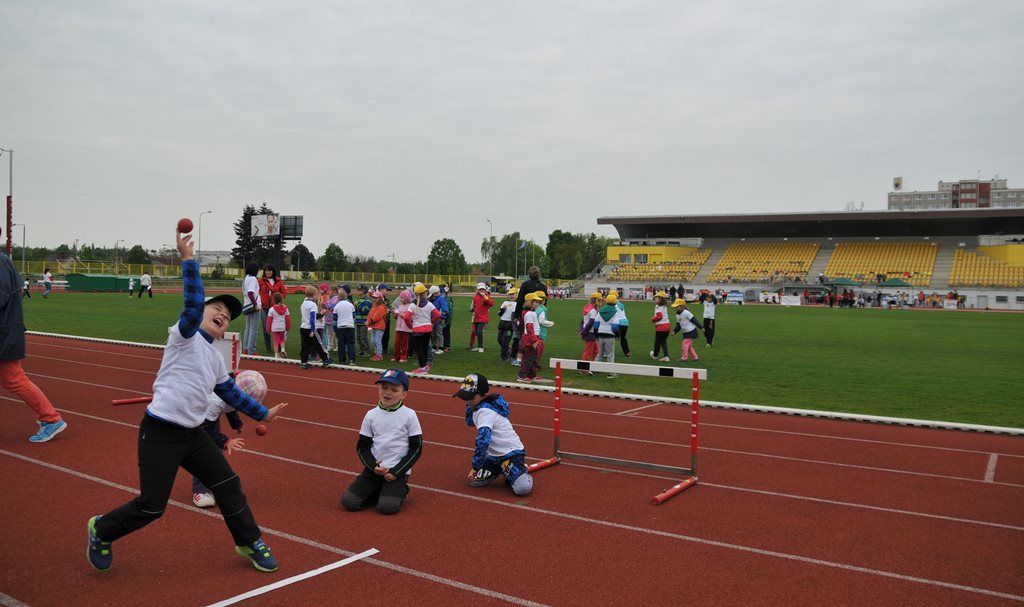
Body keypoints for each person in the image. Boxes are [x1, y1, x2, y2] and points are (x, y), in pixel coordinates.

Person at [86, 230, 287, 573]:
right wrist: (188, 260)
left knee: (229, 486)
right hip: (160, 432)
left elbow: (230, 393)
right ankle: (101, 529)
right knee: (152, 506)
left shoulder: (216, 359)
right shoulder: (183, 336)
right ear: (201, 313)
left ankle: (249, 541)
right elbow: (192, 306)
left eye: (227, 316)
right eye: (216, 308)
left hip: (193, 435)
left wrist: (262, 413)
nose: (222, 315)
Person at [0, 229, 67, 442]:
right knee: (14, 379)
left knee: (14, 379)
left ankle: (51, 418)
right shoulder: (3, 261)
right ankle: (50, 418)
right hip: (8, 330)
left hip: (5, 334)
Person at [341, 369, 422, 515]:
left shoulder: (410, 415)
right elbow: (362, 446)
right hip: (374, 469)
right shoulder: (371, 415)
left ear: (404, 394)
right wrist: (373, 466)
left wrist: (397, 472)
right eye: (384, 388)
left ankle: (401, 489)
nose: (387, 393)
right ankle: (379, 489)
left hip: (396, 471)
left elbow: (416, 448)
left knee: (387, 507)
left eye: (394, 390)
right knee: (349, 502)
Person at [454, 373, 532, 496]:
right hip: (494, 457)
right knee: (474, 481)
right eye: (465, 397)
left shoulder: (485, 412)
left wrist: (476, 466)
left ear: (481, 395)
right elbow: (470, 422)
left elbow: (483, 441)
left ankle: (521, 470)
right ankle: (503, 469)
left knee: (522, 488)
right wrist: (470, 404)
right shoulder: (476, 407)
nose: (468, 401)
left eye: (470, 398)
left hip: (511, 453)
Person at [191, 382, 251, 508]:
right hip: (195, 413)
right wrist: (225, 441)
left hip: (208, 414)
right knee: (202, 453)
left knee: (216, 453)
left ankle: (217, 485)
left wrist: (236, 424)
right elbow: (205, 429)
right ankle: (200, 491)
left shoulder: (230, 392)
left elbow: (230, 406)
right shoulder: (214, 402)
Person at [405, 283, 440, 375]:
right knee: (425, 348)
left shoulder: (412, 305)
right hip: (428, 329)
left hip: (417, 329)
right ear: (425, 293)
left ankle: (422, 368)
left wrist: (410, 326)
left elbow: (406, 317)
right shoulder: (429, 304)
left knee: (419, 349)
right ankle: (425, 365)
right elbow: (437, 315)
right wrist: (431, 321)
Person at [299, 286, 332, 369]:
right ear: (314, 295)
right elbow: (312, 318)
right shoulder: (313, 305)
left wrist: (321, 314)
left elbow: (311, 316)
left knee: (305, 346)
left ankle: (303, 362)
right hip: (311, 328)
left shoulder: (303, 303)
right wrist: (313, 330)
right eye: (317, 294)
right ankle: (325, 359)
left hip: (303, 327)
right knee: (319, 344)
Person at [595, 291, 624, 377]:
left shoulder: (600, 311)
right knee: (610, 355)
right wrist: (618, 335)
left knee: (599, 354)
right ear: (615, 302)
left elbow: (596, 324)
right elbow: (615, 327)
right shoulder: (615, 312)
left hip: (600, 333)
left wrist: (596, 335)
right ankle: (611, 373)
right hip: (610, 335)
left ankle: (593, 370)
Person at [517, 293, 544, 383]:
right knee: (528, 358)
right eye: (535, 302)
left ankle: (532, 375)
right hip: (531, 338)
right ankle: (522, 376)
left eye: (538, 302)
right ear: (529, 303)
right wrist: (534, 341)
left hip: (533, 337)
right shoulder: (529, 314)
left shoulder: (531, 313)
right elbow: (529, 327)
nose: (537, 304)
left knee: (533, 358)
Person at [258, 266, 285, 354]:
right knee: (266, 328)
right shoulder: (260, 281)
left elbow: (283, 292)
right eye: (266, 271)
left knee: (278, 327)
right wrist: (260, 303)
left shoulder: (278, 281)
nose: (268, 272)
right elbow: (256, 292)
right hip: (264, 308)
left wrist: (280, 302)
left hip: (276, 308)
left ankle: (280, 347)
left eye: (269, 270)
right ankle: (268, 348)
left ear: (273, 271)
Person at [333, 287, 357, 365]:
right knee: (351, 344)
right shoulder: (351, 305)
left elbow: (335, 320)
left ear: (338, 297)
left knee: (341, 344)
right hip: (350, 327)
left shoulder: (337, 306)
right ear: (346, 296)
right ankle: (352, 360)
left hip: (341, 327)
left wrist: (335, 330)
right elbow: (354, 317)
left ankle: (342, 360)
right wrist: (352, 324)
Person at [241, 263, 261, 355]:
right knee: (253, 329)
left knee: (248, 328)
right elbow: (250, 292)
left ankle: (246, 348)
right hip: (253, 306)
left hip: (247, 305)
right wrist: (255, 304)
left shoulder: (246, 278)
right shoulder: (253, 279)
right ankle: (251, 350)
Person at [265, 292, 291, 358]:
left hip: (274, 328)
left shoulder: (271, 309)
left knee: (276, 341)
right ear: (282, 299)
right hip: (282, 327)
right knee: (282, 340)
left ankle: (276, 354)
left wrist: (268, 329)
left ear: (273, 300)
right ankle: (283, 350)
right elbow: (288, 319)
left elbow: (269, 320)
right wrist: (288, 327)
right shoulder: (286, 309)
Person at [469, 283, 493, 353]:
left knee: (479, 332)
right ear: (477, 290)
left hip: (483, 318)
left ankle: (481, 347)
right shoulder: (476, 296)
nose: (481, 290)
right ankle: (477, 345)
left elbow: (491, 303)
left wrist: (486, 298)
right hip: (476, 317)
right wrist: (472, 309)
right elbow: (474, 306)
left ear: (485, 290)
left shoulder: (486, 296)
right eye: (480, 289)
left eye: (483, 289)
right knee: (476, 332)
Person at [391, 289, 413, 363]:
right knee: (396, 343)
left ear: (406, 298)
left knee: (404, 343)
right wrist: (394, 314)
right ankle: (396, 356)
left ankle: (404, 357)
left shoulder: (410, 307)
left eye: (402, 298)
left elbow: (410, 317)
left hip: (405, 328)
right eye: (400, 298)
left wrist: (401, 314)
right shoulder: (400, 306)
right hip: (398, 328)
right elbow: (397, 317)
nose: (401, 299)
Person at [579, 292, 602, 363]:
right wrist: (583, 332)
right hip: (590, 333)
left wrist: (581, 330)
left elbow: (583, 321)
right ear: (597, 301)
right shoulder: (594, 310)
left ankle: (595, 366)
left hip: (589, 332)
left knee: (596, 351)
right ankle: (583, 367)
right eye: (600, 301)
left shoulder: (587, 307)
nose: (601, 303)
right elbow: (591, 323)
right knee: (588, 352)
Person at [496, 288, 517, 362]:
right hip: (502, 323)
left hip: (510, 325)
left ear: (517, 295)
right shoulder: (505, 302)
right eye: (510, 294)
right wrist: (502, 310)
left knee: (505, 340)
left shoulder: (517, 304)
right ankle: (508, 349)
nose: (511, 296)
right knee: (499, 339)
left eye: (513, 294)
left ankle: (504, 357)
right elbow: (499, 314)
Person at [649, 290, 671, 362]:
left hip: (661, 327)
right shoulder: (664, 306)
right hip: (667, 326)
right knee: (663, 341)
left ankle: (655, 355)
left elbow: (660, 316)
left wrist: (653, 319)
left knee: (657, 342)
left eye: (656, 297)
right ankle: (666, 356)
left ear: (660, 299)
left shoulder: (657, 307)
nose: (654, 299)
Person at [367, 290, 388, 361]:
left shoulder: (382, 307)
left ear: (380, 299)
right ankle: (376, 353)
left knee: (377, 341)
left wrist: (369, 322)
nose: (374, 299)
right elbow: (370, 315)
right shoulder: (374, 306)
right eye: (374, 298)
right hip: (373, 326)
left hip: (379, 327)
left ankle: (379, 355)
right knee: (373, 341)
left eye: (376, 298)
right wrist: (368, 322)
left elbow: (377, 317)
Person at [354, 286, 372, 357]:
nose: (357, 292)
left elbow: (366, 310)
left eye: (359, 290)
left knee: (363, 337)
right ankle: (361, 350)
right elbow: (355, 309)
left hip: (364, 322)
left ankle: (366, 351)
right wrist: (356, 306)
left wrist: (358, 305)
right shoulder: (359, 299)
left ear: (363, 291)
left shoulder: (367, 300)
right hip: (358, 321)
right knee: (358, 338)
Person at [612, 290, 631, 357]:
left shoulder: (613, 305)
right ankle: (627, 352)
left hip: (618, 323)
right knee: (623, 338)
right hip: (625, 323)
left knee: (610, 337)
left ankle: (607, 352)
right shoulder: (621, 304)